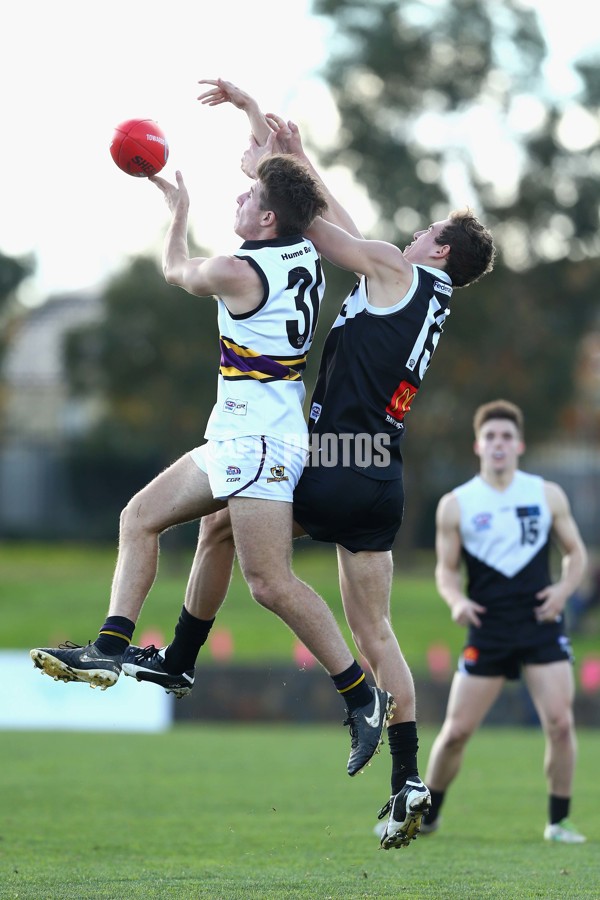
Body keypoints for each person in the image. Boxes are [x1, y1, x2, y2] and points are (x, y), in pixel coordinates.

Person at [120, 79, 496, 850]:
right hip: (379, 476)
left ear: (441, 251)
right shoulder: (418, 292)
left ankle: (183, 658)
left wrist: (283, 163)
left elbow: (320, 229)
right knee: (378, 630)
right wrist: (291, 153)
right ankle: (406, 779)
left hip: (327, 458)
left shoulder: (395, 267)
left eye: (428, 231)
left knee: (226, 524)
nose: (416, 234)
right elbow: (341, 225)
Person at [30, 140, 394, 782]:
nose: (242, 195)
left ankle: (361, 696)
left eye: (250, 195)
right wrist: (266, 136)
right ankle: (131, 651)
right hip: (248, 436)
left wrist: (178, 211)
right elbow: (294, 193)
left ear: (267, 221)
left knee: (269, 583)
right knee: (147, 518)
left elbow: (176, 271)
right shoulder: (306, 246)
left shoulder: (238, 271)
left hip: (255, 444)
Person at [420, 399, 587, 843]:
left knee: (561, 723)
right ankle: (429, 815)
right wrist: (455, 600)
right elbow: (445, 569)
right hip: (489, 629)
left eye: (506, 437)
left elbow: (577, 554)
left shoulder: (546, 494)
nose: (499, 444)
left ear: (520, 445)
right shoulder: (456, 504)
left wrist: (563, 592)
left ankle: (558, 821)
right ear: (478, 445)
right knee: (455, 732)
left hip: (540, 625)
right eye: (491, 436)